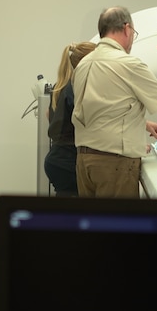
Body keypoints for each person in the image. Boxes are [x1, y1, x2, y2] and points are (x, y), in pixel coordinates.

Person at [71, 6, 157, 198]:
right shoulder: (128, 64)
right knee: (117, 225)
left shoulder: (83, 64)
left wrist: (143, 123)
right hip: (114, 164)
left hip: (84, 162)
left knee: (93, 224)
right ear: (127, 29)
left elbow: (100, 108)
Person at [44, 41, 96, 197]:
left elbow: (48, 114)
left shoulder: (60, 86)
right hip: (68, 162)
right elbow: (92, 122)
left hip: (56, 158)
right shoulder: (76, 89)